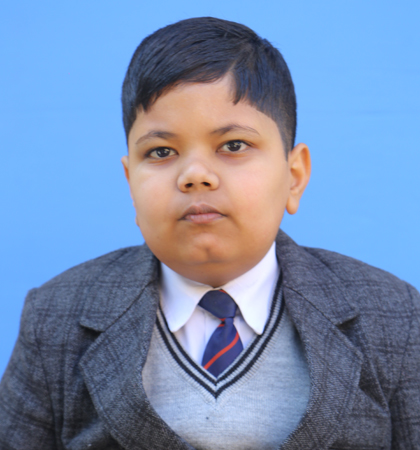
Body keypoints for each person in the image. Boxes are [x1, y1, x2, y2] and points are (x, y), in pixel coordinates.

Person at [0, 17, 419, 450]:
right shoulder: (55, 318)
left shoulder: (394, 317)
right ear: (130, 183)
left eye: (233, 146)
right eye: (161, 151)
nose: (195, 174)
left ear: (294, 176)